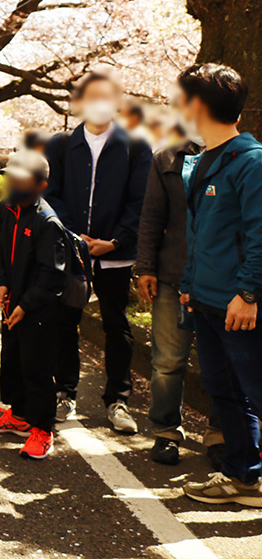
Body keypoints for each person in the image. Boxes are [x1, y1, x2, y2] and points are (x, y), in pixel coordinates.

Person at [172, 64, 262, 507]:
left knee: (257, 392)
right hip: (206, 301)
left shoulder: (252, 162)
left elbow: (261, 235)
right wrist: (188, 285)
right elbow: (199, 232)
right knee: (224, 392)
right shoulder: (205, 157)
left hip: (237, 304)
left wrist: (248, 294)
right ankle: (244, 478)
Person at [45, 71, 152, 433]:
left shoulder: (136, 145)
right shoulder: (61, 146)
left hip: (115, 254)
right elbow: (51, 196)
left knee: (117, 325)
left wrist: (116, 241)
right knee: (64, 323)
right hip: (72, 251)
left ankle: (118, 399)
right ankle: (65, 392)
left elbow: (141, 200)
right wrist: (74, 236)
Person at [135, 120, 225, 469]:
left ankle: (219, 435)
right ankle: (166, 432)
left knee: (220, 364)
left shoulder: (238, 158)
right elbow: (152, 217)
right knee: (167, 362)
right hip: (173, 275)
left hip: (220, 281)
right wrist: (146, 267)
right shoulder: (167, 159)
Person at [0, 150, 66, 460]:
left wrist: (26, 305)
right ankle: (18, 415)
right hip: (12, 300)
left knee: (37, 367)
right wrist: (1, 282)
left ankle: (43, 429)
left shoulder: (47, 222)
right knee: (13, 359)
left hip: (38, 308)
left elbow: (51, 275)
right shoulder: (6, 209)